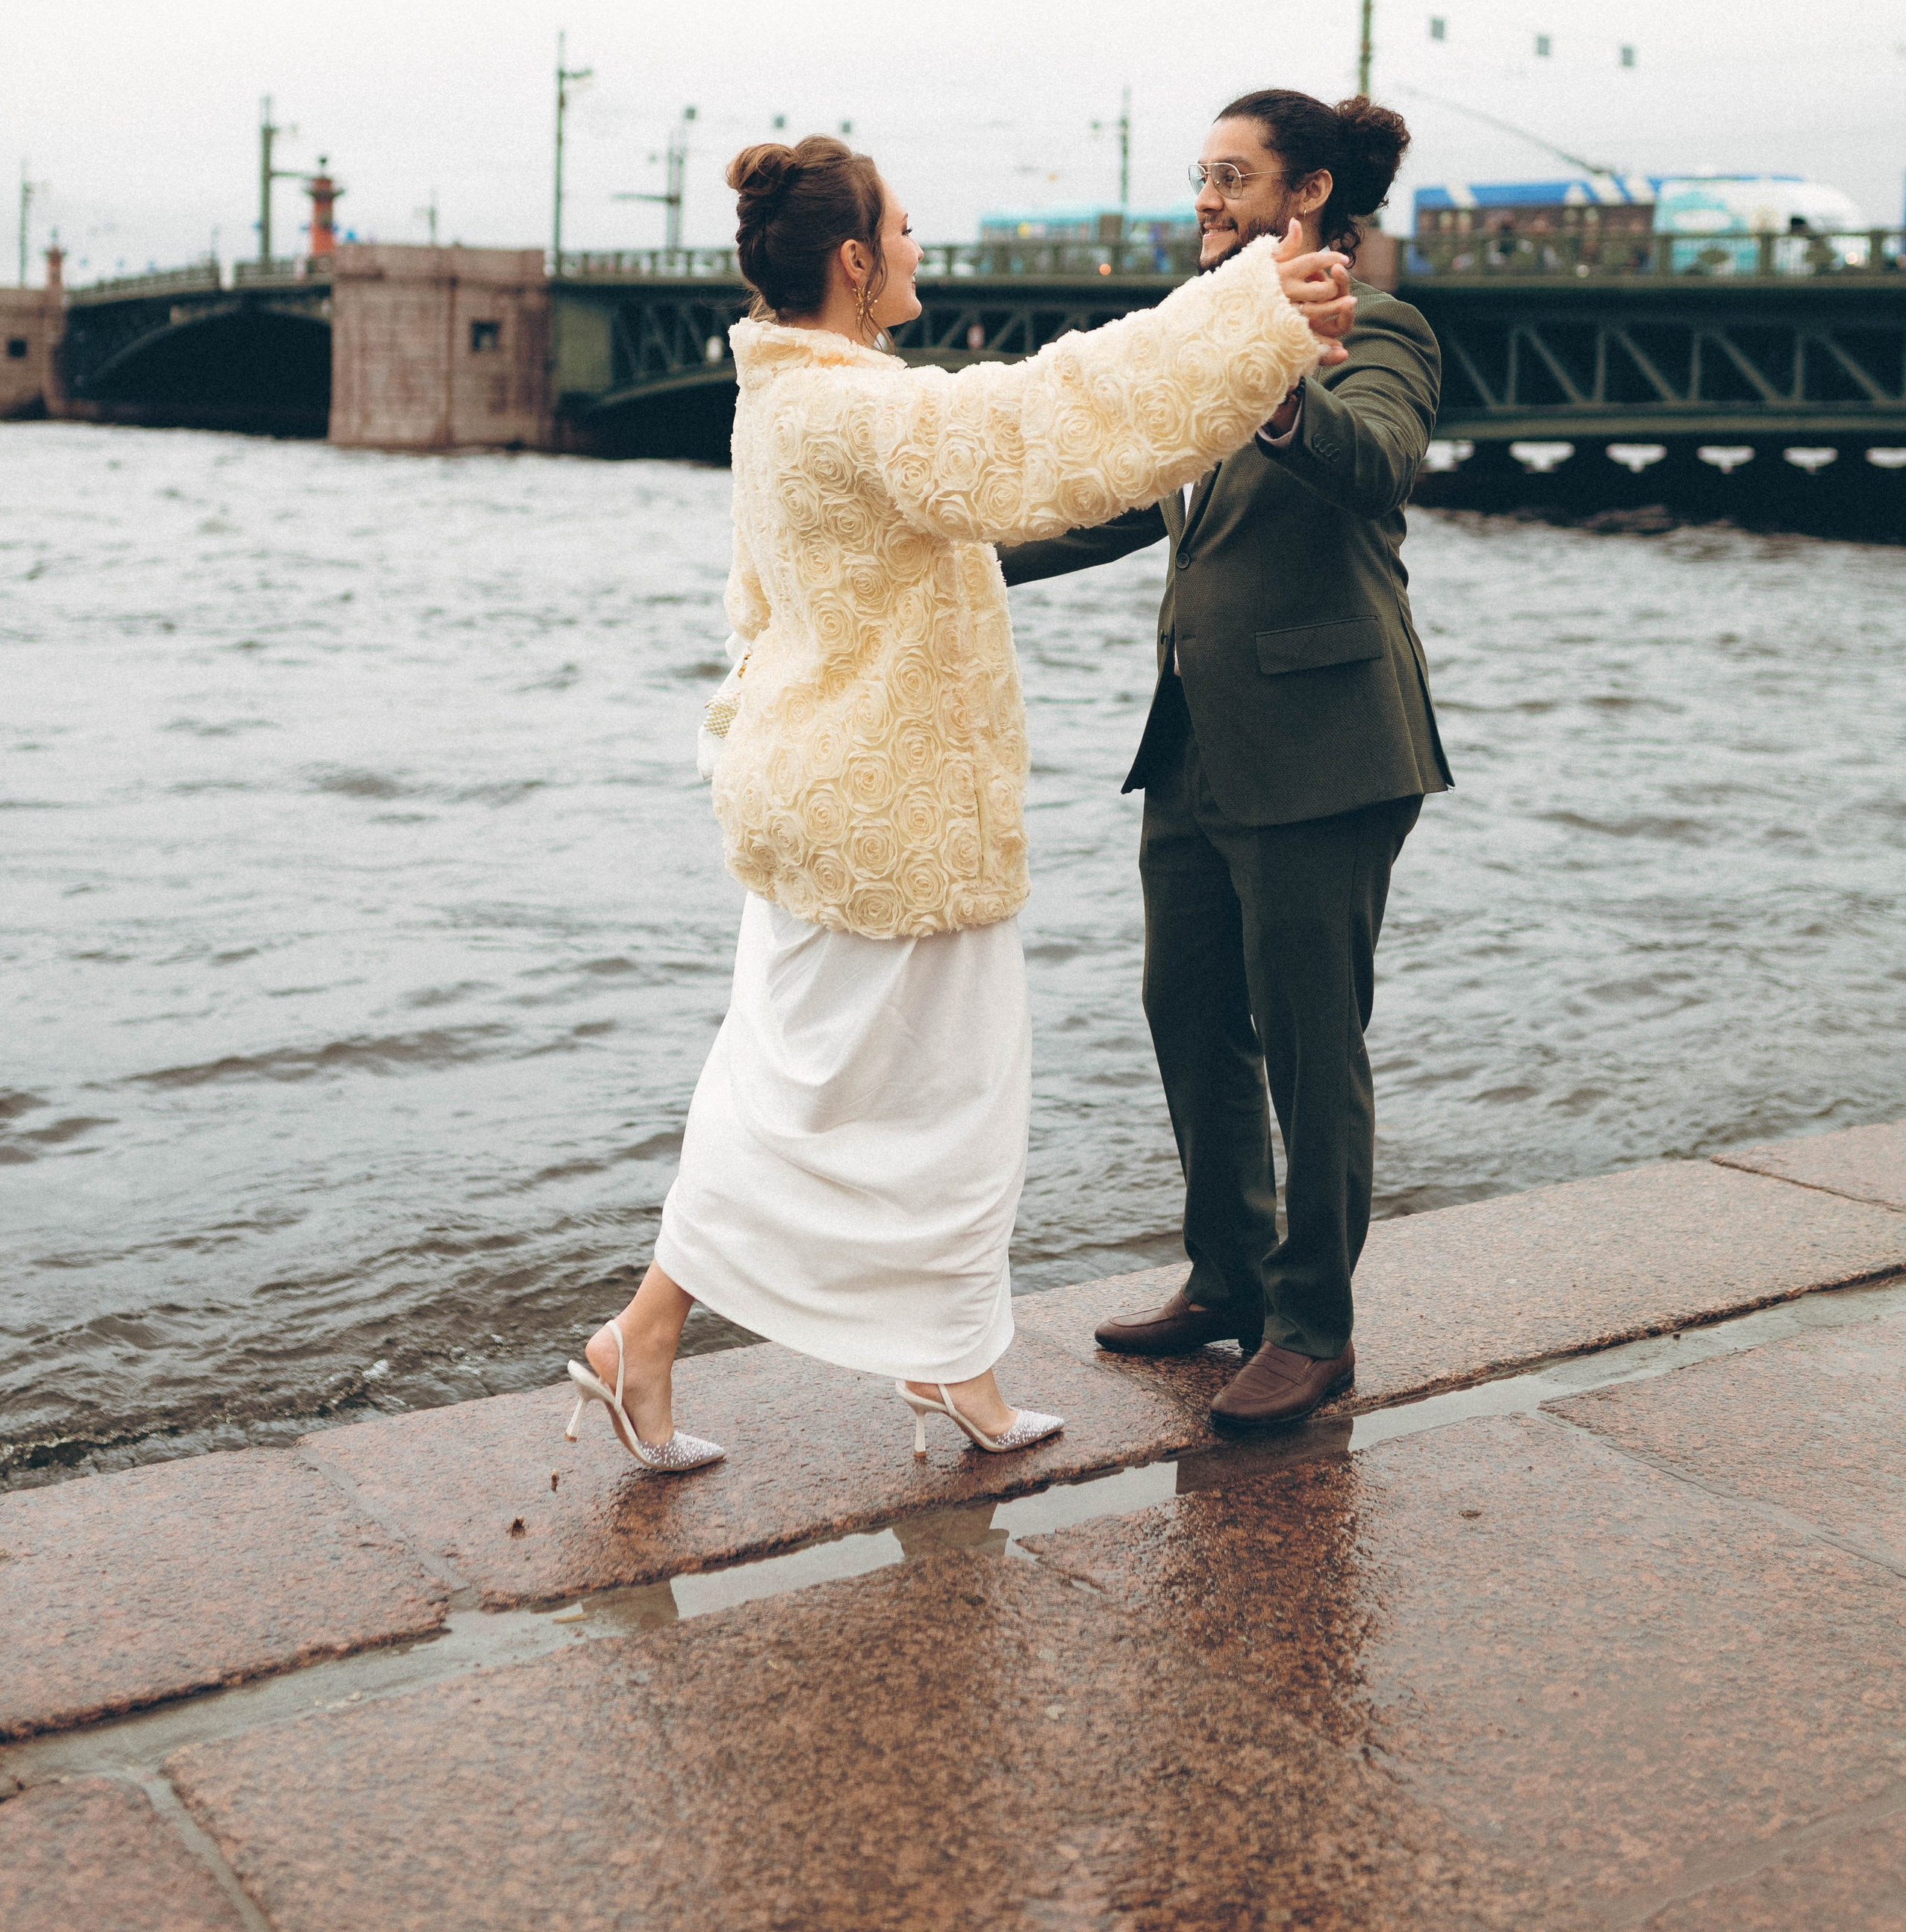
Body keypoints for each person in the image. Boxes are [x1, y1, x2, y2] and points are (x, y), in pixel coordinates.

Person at [563, 131, 1355, 1472]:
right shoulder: (854, 412)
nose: (921, 248)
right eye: (905, 230)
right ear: (856, 262)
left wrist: (1244, 317)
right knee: (918, 1108)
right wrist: (1250, 311)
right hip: (894, 821)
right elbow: (1044, 425)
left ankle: (926, 1366)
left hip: (826, 801)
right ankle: (669, 1341)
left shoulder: (787, 399)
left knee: (820, 1094)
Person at [999, 90, 1450, 1431]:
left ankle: (1313, 1330)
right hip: (1194, 741)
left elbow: (1379, 464)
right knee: (1188, 1011)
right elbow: (1134, 502)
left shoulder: (1376, 326)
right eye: (1201, 173)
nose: (1206, 197)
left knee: (1312, 1045)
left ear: (1307, 194)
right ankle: (1228, 1278)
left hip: (1326, 746)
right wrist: (953, 558)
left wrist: (1274, 377)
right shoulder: (1206, 332)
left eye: (1233, 176)